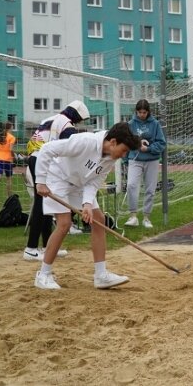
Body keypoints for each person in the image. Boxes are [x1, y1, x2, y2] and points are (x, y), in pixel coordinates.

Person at [32, 122, 141, 290]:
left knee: (99, 218)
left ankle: (101, 275)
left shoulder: (111, 158)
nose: (124, 155)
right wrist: (40, 181)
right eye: (124, 150)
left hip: (79, 184)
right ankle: (43, 275)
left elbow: (94, 181)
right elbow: (48, 149)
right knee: (64, 224)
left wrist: (87, 204)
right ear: (113, 142)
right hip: (58, 178)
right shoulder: (86, 141)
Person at [23, 100, 90, 261]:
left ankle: (48, 246)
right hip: (42, 161)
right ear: (76, 114)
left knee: (47, 203)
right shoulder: (66, 124)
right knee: (41, 203)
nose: (79, 122)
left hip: (35, 158)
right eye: (80, 119)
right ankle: (31, 248)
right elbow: (73, 148)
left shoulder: (50, 119)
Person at [124, 99, 166, 229]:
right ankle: (133, 216)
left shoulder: (155, 124)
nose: (142, 114)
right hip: (135, 159)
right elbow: (126, 142)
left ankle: (146, 217)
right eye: (140, 112)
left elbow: (162, 143)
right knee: (131, 185)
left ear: (148, 112)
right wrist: (126, 159)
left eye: (144, 112)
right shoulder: (130, 124)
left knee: (150, 189)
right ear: (136, 111)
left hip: (151, 160)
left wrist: (148, 149)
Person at [0, 122, 16, 197]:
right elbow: (11, 149)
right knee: (9, 179)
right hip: (8, 160)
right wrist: (14, 156)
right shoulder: (12, 137)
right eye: (12, 126)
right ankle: (9, 196)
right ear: (10, 127)